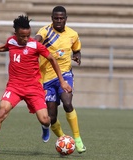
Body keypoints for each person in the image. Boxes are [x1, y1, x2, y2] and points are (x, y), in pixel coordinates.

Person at [0, 15, 72, 156]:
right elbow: (5, 47)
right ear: (16, 34)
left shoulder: (35, 45)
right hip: (14, 87)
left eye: (28, 36)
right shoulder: (11, 41)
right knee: (2, 111)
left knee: (45, 119)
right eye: (22, 36)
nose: (25, 39)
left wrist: (62, 81)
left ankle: (45, 127)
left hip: (33, 88)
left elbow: (52, 59)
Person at [34, 6, 86, 153]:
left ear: (66, 19)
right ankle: (64, 139)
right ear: (52, 18)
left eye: (61, 18)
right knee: (51, 117)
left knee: (67, 103)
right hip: (46, 79)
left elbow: (77, 49)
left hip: (65, 74)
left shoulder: (73, 34)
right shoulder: (45, 31)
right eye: (56, 18)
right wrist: (32, 42)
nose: (58, 20)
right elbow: (37, 39)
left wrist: (78, 56)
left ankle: (77, 138)